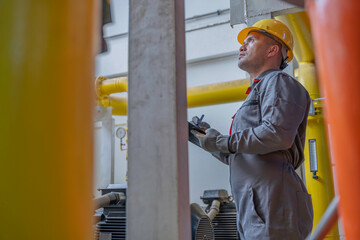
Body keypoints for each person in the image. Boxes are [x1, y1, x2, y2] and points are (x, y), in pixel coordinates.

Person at [193, 19, 314, 240]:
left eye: (251, 40)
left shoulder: (279, 82)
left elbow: (276, 134)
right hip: (256, 208)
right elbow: (241, 155)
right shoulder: (258, 91)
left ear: (273, 49)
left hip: (274, 205)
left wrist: (222, 142)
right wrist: (204, 139)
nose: (241, 46)